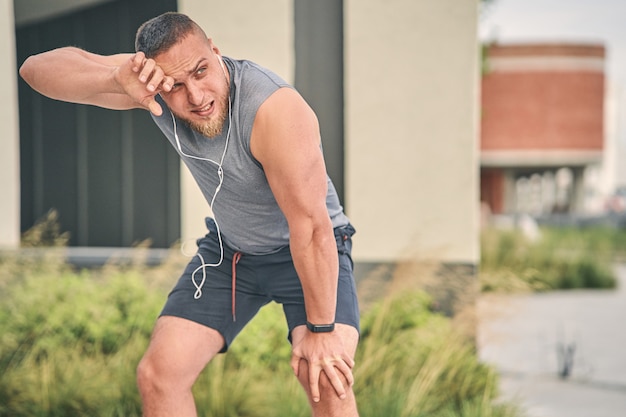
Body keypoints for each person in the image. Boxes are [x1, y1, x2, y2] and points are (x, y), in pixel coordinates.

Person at [19, 11, 360, 417]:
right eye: (176, 85)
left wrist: (321, 330)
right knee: (159, 375)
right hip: (231, 253)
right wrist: (114, 80)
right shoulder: (148, 87)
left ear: (215, 51)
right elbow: (34, 69)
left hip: (308, 249)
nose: (196, 96)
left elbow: (311, 226)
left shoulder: (275, 109)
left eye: (201, 71)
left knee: (324, 377)